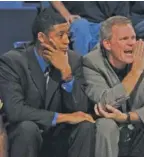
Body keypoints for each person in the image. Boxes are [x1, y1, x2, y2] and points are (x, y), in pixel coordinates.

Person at [0, 9, 95, 157]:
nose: (67, 41)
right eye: (60, 35)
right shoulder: (13, 62)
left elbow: (81, 109)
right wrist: (62, 117)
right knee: (27, 128)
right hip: (27, 136)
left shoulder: (73, 60)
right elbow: (15, 111)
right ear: (42, 37)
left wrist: (67, 75)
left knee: (85, 126)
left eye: (68, 35)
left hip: (59, 137)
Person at [82, 16, 144, 157]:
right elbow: (104, 103)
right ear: (107, 44)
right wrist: (135, 72)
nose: (131, 43)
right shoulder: (91, 62)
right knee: (105, 124)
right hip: (110, 137)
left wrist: (128, 117)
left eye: (133, 38)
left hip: (139, 133)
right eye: (124, 39)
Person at [51, 1, 129, 55]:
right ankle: (81, 69)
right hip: (78, 21)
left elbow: (120, 19)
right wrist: (66, 15)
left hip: (102, 24)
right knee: (80, 26)